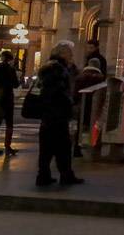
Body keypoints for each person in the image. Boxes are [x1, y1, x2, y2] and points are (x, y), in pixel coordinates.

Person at [36, 42, 83, 186]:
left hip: (48, 115)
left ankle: (43, 175)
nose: (72, 57)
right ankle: (66, 174)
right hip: (57, 114)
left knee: (47, 148)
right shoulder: (59, 70)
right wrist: (69, 104)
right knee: (63, 146)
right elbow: (60, 92)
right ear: (63, 54)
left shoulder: (48, 68)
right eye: (70, 54)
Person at [0, 52, 20, 156]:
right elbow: (16, 84)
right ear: (10, 59)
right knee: (9, 124)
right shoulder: (11, 70)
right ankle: (7, 146)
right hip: (8, 98)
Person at [71, 62, 104, 158]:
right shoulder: (99, 78)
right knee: (95, 127)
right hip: (95, 107)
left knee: (80, 127)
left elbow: (75, 93)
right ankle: (94, 148)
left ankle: (77, 149)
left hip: (82, 106)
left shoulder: (80, 77)